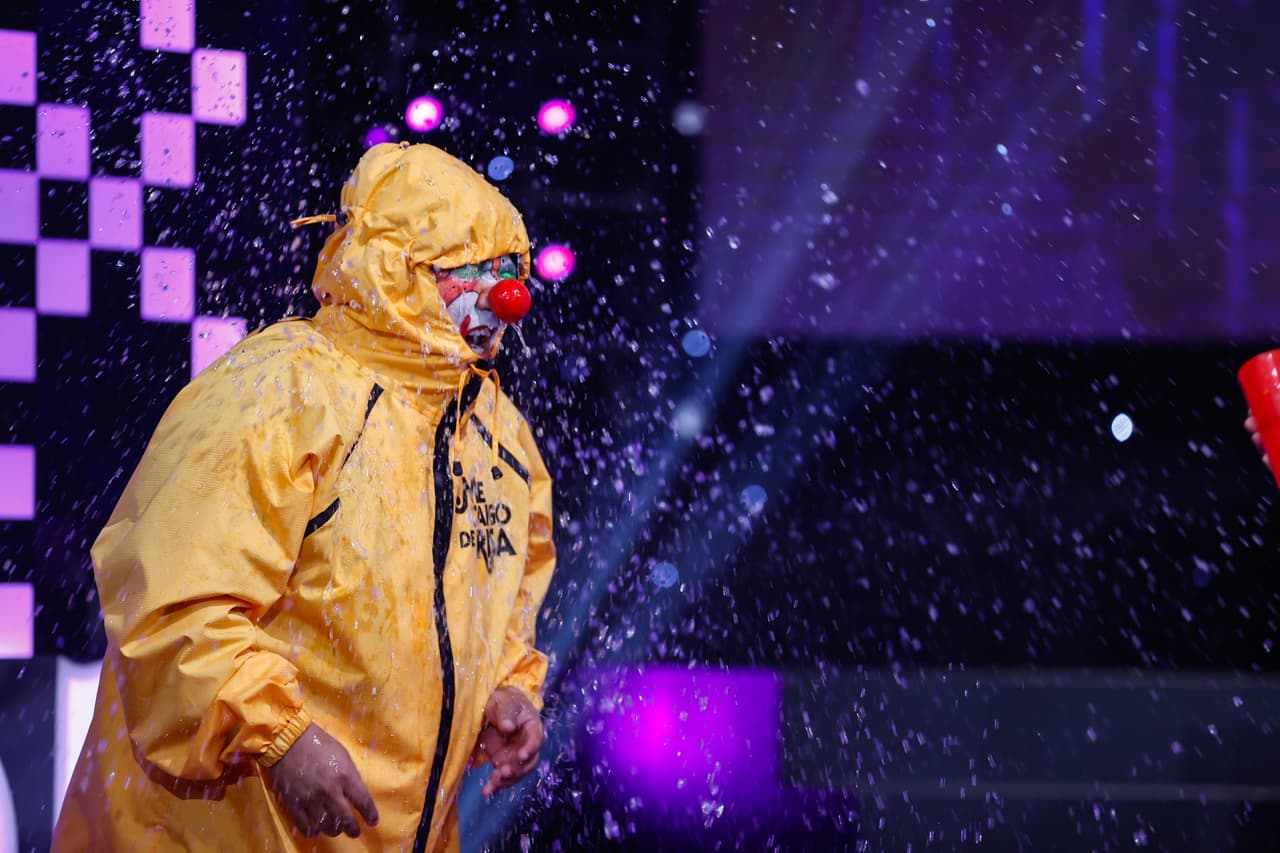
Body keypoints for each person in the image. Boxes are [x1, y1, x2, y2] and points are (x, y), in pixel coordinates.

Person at [52, 142, 557, 851]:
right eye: (468, 271)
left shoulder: (501, 442)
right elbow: (170, 603)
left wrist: (506, 692)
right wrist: (279, 735)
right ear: (396, 268)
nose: (506, 295)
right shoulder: (281, 391)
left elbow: (501, 612)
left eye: (509, 271)